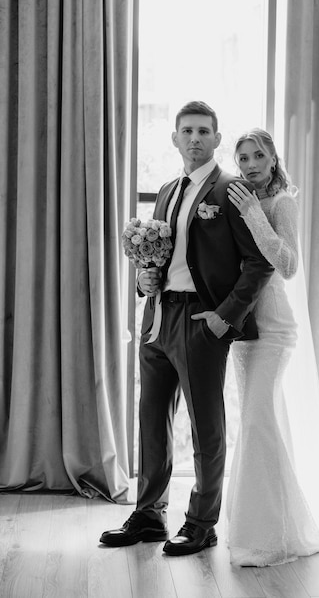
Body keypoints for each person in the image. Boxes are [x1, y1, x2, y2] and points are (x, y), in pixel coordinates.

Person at [100, 102, 274, 555]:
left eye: (203, 131)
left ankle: (201, 522)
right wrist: (145, 279)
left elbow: (259, 263)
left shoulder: (231, 191)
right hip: (158, 315)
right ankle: (149, 514)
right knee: (151, 419)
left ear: (217, 139)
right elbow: (161, 257)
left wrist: (223, 317)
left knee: (206, 426)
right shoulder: (166, 189)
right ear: (175, 139)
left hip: (202, 320)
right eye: (186, 131)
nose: (194, 138)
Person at [226, 128, 319, 566]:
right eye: (242, 159)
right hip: (243, 330)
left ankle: (269, 539)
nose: (251, 164)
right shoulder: (235, 200)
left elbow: (290, 265)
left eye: (258, 155)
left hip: (275, 328)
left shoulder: (283, 202)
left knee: (259, 421)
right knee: (257, 423)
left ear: (273, 158)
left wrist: (254, 216)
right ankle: (258, 528)